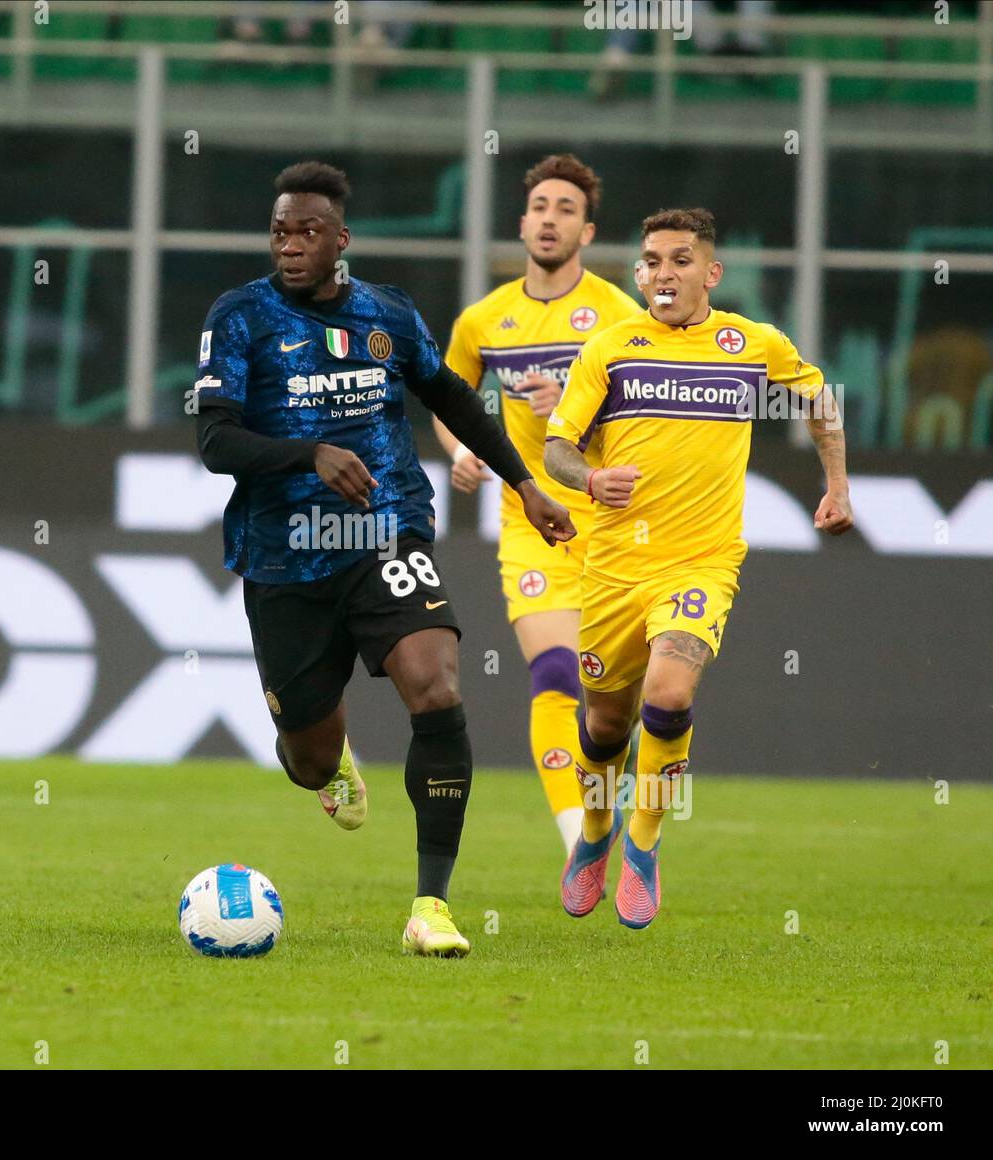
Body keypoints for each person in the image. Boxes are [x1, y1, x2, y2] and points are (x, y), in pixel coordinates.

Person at [195, 161, 575, 957]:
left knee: (435, 687)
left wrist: (524, 483)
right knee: (307, 756)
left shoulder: (388, 315)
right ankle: (332, 768)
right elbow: (214, 441)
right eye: (279, 232)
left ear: (341, 239)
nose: (290, 247)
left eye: (307, 233)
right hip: (284, 557)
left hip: (386, 534)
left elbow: (455, 399)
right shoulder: (240, 318)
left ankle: (430, 906)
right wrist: (310, 454)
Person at [543, 207, 853, 928]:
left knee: (671, 690)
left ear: (711, 273)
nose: (662, 273)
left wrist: (837, 485)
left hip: (702, 562)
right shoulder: (611, 348)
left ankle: (644, 845)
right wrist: (588, 479)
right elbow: (557, 445)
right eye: (651, 260)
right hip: (614, 567)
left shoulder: (751, 345)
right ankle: (595, 834)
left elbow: (820, 400)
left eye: (680, 260)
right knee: (604, 722)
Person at [433, 153, 641, 861]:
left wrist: (581, 412)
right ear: (522, 223)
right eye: (541, 207)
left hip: (610, 520)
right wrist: (460, 452)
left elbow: (651, 414)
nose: (550, 219)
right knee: (554, 676)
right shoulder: (485, 320)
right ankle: (579, 839)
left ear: (587, 233)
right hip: (533, 523)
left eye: (566, 210)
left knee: (611, 697)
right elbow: (449, 398)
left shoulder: (620, 315)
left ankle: (624, 794)